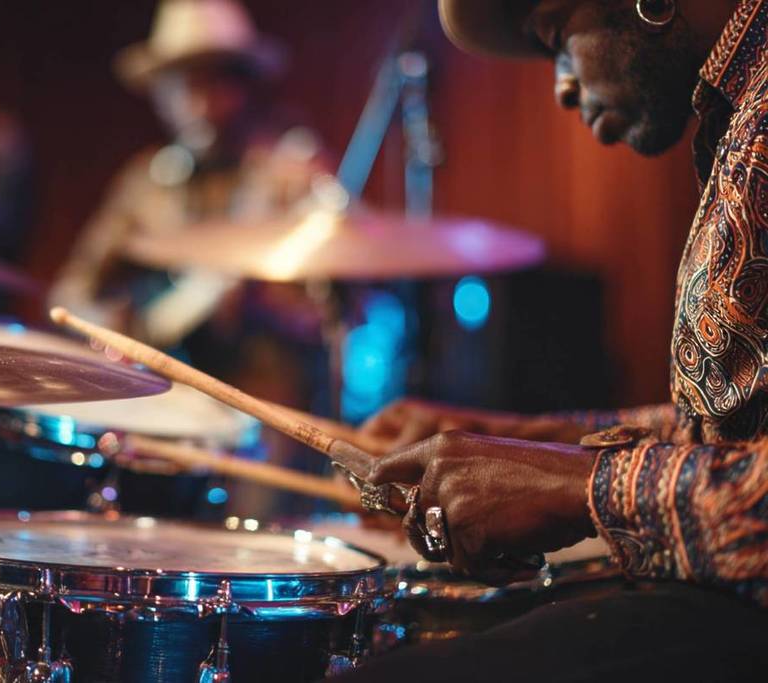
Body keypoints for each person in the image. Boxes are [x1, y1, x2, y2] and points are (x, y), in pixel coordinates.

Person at [337, 0, 768, 679]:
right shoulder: (744, 105)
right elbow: (729, 434)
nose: (563, 85)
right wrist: (522, 439)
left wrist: (582, 486)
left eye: (556, 39)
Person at [48, 0, 329, 350]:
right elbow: (71, 291)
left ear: (245, 84)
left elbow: (336, 315)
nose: (200, 105)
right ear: (159, 94)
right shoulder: (145, 181)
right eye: (183, 85)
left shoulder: (292, 175)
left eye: (216, 82)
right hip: (162, 392)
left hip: (263, 390)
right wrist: (111, 328)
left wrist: (267, 306)